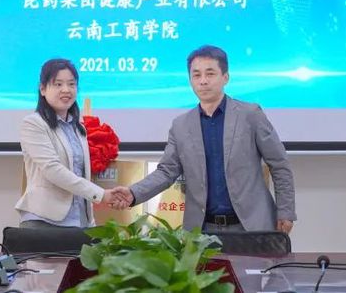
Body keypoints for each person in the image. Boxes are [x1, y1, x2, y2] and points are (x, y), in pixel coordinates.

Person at [109, 45, 296, 234]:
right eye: (196, 75)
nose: (203, 81)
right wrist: (133, 193)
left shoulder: (250, 115)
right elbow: (166, 171)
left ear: (225, 77)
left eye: (210, 74)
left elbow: (279, 164)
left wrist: (286, 211)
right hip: (202, 231)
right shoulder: (181, 125)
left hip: (251, 226)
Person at [17, 58, 118, 227]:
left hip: (80, 221)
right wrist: (101, 194)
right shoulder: (33, 123)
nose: (66, 90)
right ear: (43, 89)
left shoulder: (78, 127)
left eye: (71, 84)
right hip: (44, 220)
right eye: (58, 84)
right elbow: (53, 169)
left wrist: (90, 222)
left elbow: (81, 173)